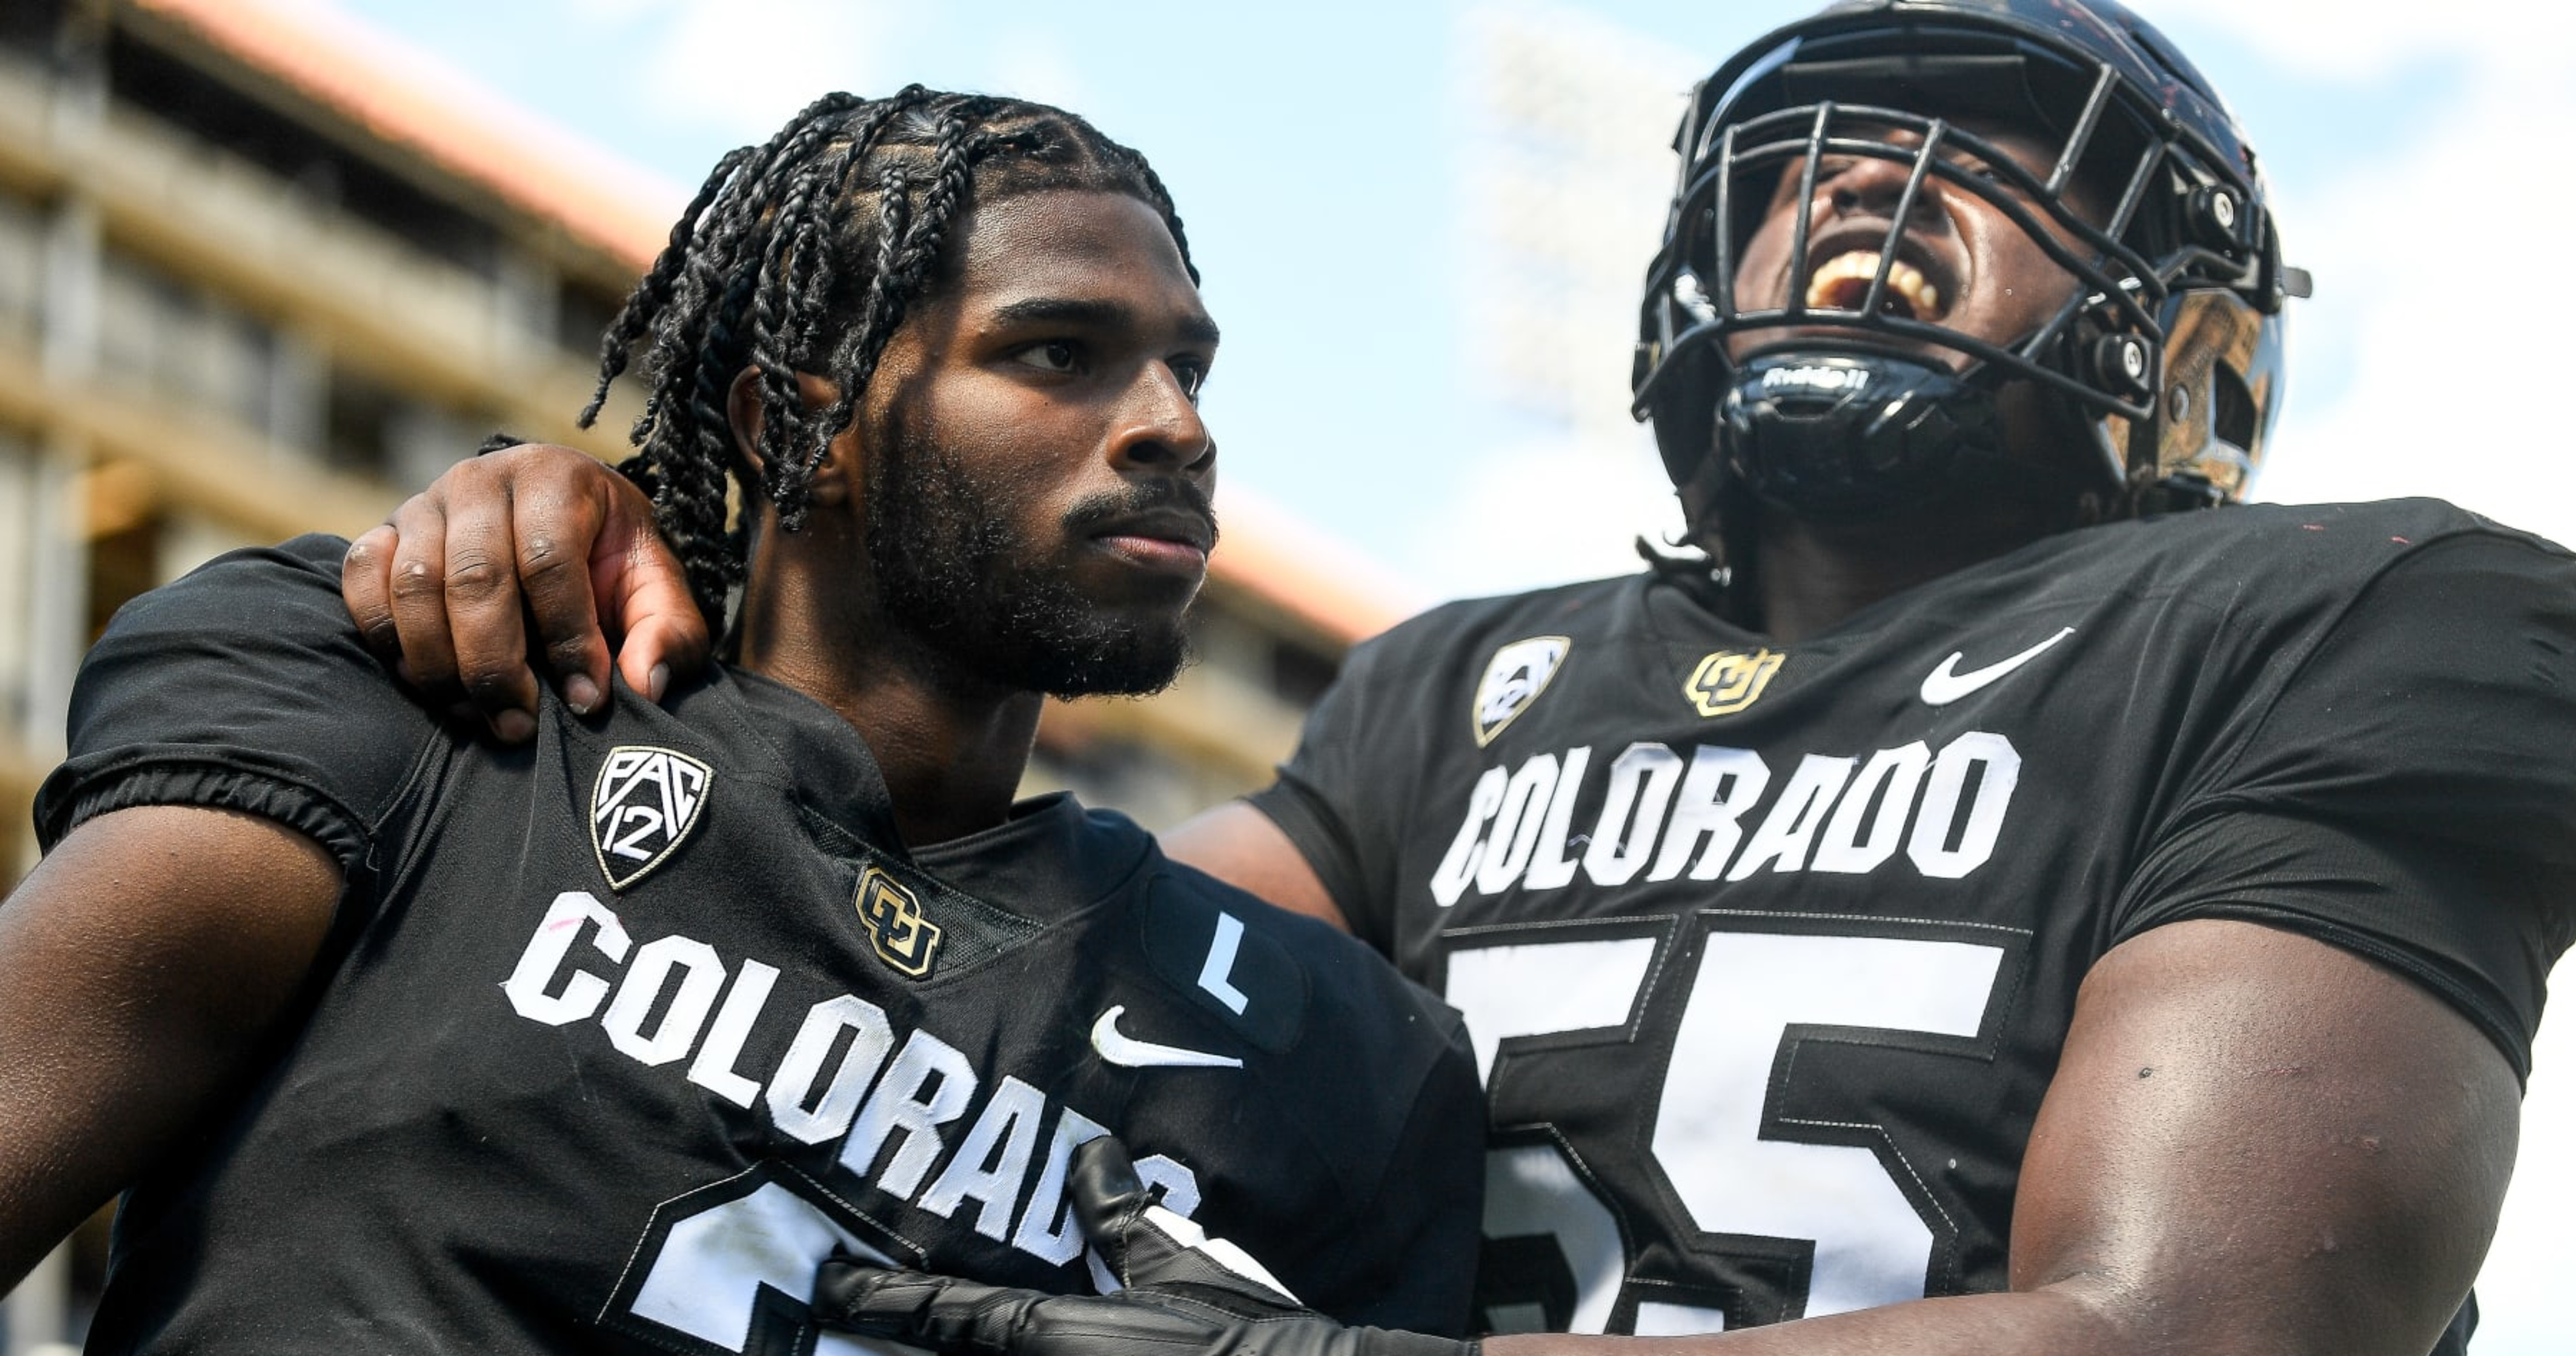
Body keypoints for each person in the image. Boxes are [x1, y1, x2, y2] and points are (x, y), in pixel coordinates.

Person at [346, 2, 2576, 1353]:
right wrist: (663, 580)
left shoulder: (2369, 619)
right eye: (1806, 169)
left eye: (1994, 167)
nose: (1871, 203)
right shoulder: (1462, 695)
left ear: (2201, 339)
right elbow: (959, 972)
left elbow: (2200, 1335)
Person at [0, 88, 1487, 1353]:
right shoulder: (430, 690)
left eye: (1188, 364)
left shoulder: (1341, 1058)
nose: (1178, 422)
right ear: (801, 431)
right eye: (1058, 351)